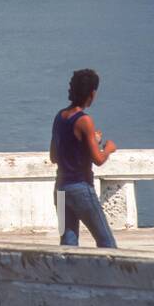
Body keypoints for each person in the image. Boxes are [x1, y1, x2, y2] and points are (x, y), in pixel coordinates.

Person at [50, 69, 118, 248]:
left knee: (67, 245)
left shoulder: (59, 117)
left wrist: (91, 141)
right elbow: (98, 159)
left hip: (61, 189)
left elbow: (54, 156)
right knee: (107, 243)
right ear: (92, 94)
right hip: (80, 189)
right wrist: (108, 149)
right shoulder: (85, 121)